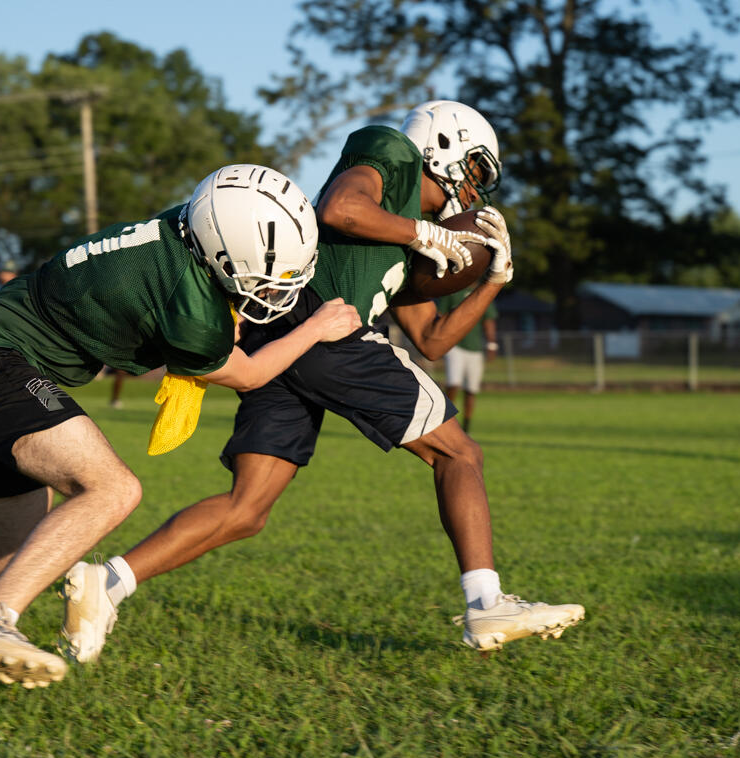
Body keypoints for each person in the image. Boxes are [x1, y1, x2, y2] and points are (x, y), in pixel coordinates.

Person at [61, 100, 583, 665]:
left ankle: (108, 582)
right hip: (322, 322)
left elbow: (431, 340)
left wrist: (493, 282)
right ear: (443, 146)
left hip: (285, 342)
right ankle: (486, 602)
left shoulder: (404, 245)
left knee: (247, 509)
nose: (476, 192)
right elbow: (340, 207)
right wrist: (421, 232)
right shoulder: (393, 154)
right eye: (476, 171)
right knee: (459, 453)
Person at [0, 164, 361, 688]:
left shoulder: (186, 221)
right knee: (113, 489)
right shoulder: (190, 307)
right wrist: (316, 326)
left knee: (17, 550)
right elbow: (251, 373)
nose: (273, 289)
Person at [437, 284, 498, 432]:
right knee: (453, 384)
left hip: (475, 348)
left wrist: (492, 344)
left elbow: (488, 321)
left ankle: (466, 427)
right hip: (454, 345)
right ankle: (447, 423)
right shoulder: (451, 292)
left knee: (471, 389)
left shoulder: (483, 292)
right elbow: (440, 316)